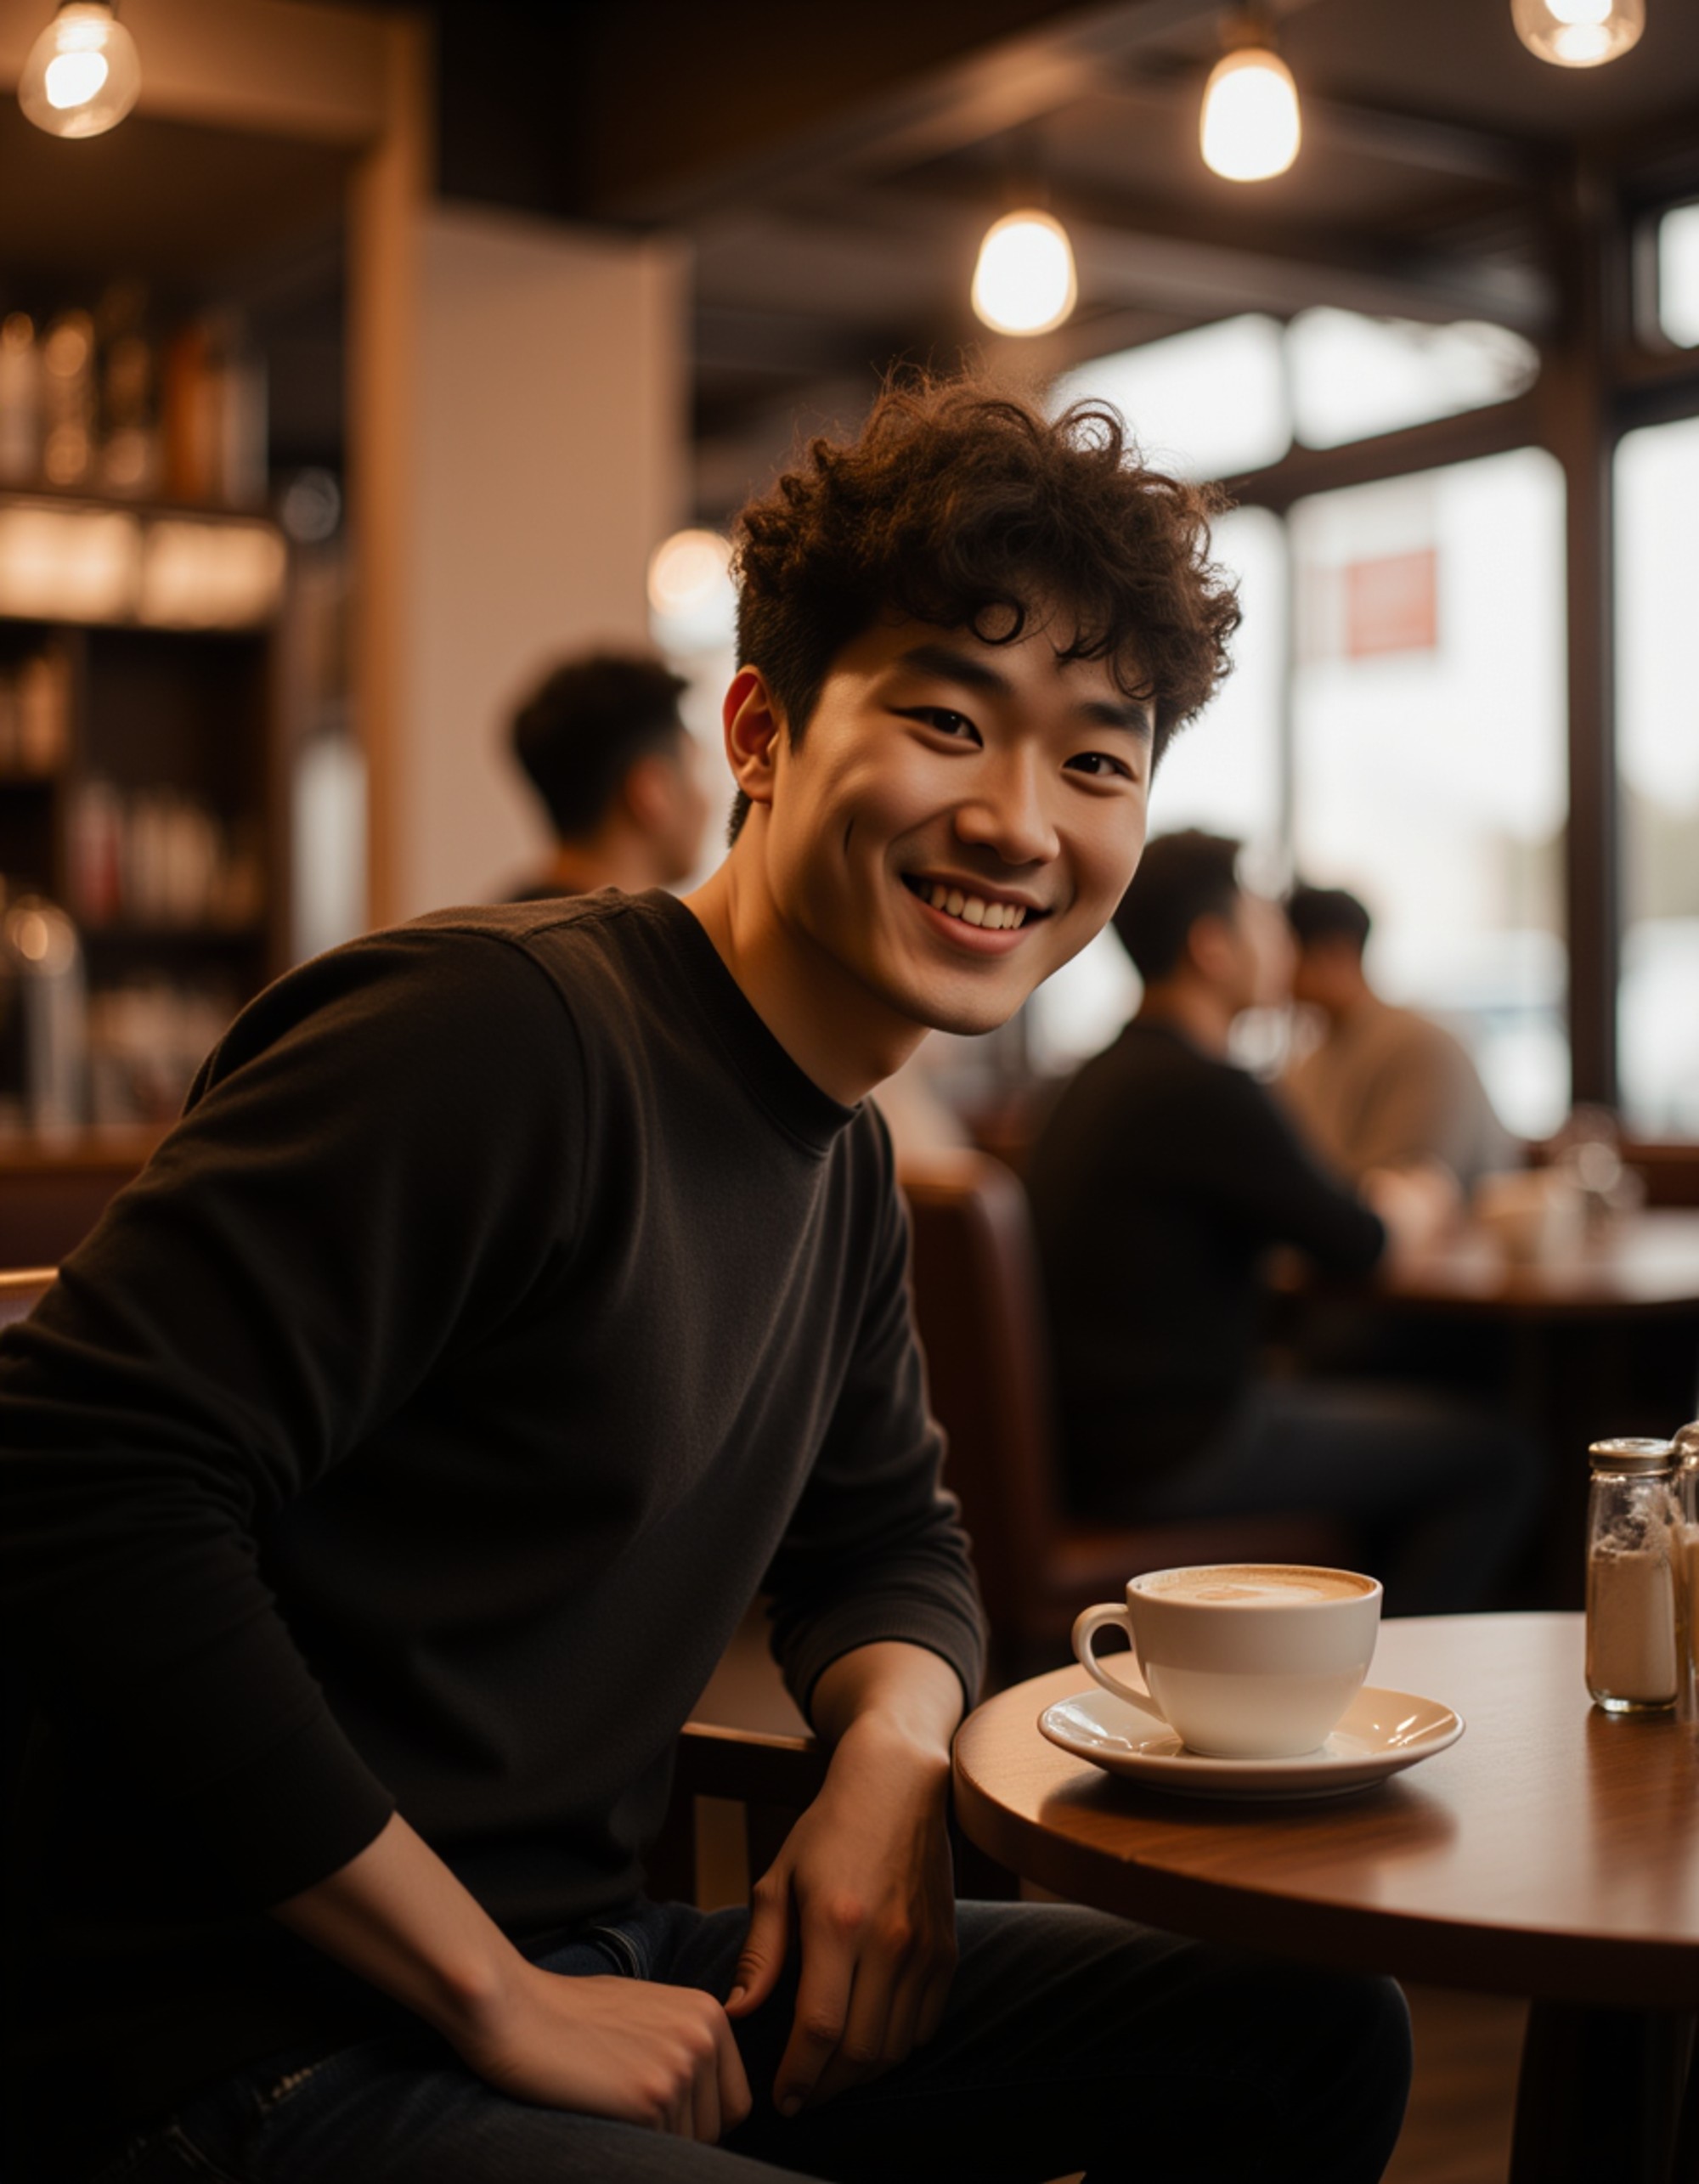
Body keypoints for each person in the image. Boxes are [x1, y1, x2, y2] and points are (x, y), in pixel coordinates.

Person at [0, 383, 1411, 2184]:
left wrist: (889, 1769)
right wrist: (496, 1995)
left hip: (600, 1956)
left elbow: (889, 1541)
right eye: (943, 717)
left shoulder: (841, 1158)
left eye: (1094, 759)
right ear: (758, 729)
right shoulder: (498, 1034)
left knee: (1302, 2030)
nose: (1015, 820)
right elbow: (77, 1480)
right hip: (249, 2038)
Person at [1026, 829, 1540, 1617]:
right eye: (1265, 922)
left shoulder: (1100, 1078)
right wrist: (1420, 1192)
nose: (1283, 945)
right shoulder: (1203, 1087)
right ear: (1213, 947)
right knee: (1499, 1456)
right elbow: (1362, 1243)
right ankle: (1377, 1681)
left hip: (1096, 1446)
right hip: (1180, 1451)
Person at [1280, 883, 1512, 1193]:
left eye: (1284, 951)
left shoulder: (1419, 1048)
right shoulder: (1311, 1059)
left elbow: (1408, 1195)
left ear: (1334, 953)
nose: (1272, 965)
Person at [504, 650, 712, 900]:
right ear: (652, 792)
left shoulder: (486, 929)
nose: (706, 802)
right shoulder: (639, 939)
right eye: (696, 773)